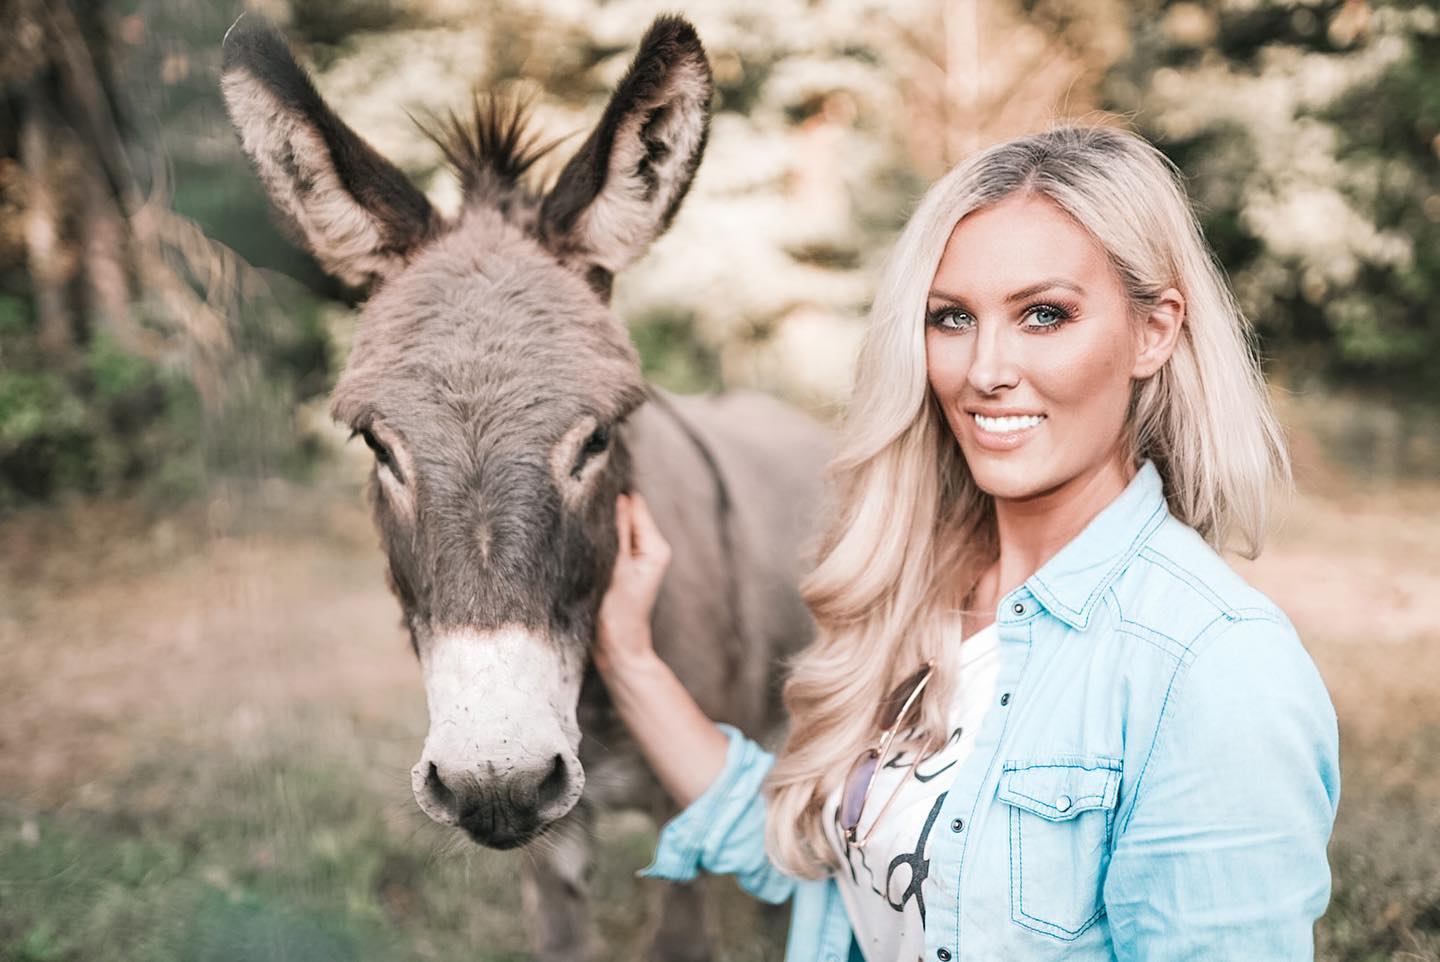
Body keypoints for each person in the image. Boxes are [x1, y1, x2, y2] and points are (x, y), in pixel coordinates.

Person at [594, 124, 1340, 962]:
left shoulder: (1212, 666)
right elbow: (809, 855)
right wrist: (628, 655)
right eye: (951, 318)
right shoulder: (923, 596)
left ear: (1153, 332)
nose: (985, 369)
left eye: (1044, 315)